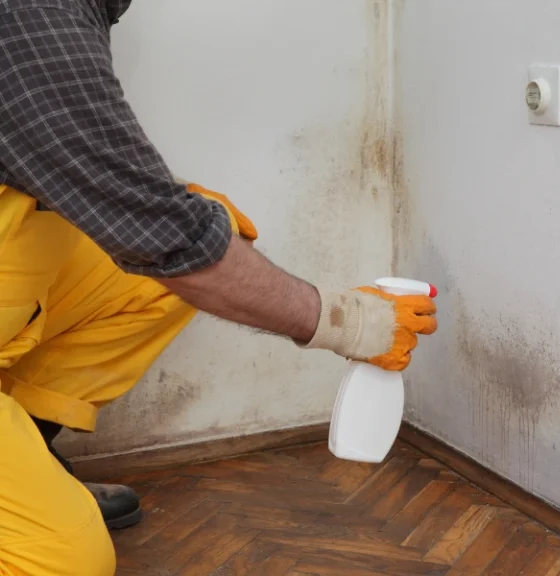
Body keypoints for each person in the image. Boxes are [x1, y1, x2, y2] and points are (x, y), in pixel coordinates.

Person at [0, 1, 438, 574]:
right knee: (64, 560)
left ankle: (25, 451)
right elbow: (163, 236)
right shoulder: (31, 13)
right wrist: (351, 323)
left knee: (182, 255)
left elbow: (92, 182)